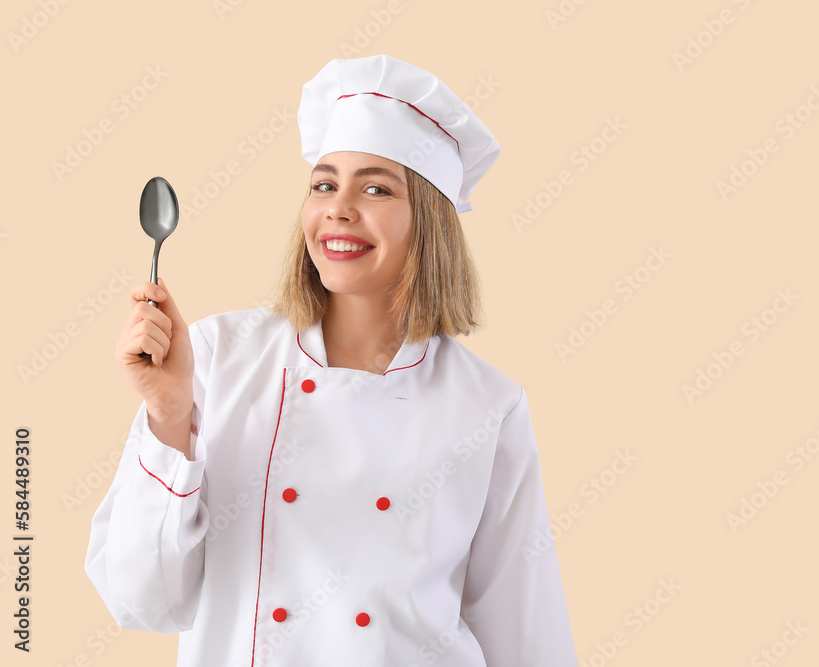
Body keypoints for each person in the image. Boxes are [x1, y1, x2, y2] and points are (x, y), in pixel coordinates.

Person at [84, 54, 578, 666]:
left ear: (429, 224)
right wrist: (168, 414)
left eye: (376, 188)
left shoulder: (487, 405)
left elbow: (525, 629)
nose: (338, 208)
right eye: (324, 184)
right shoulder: (216, 358)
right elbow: (144, 603)